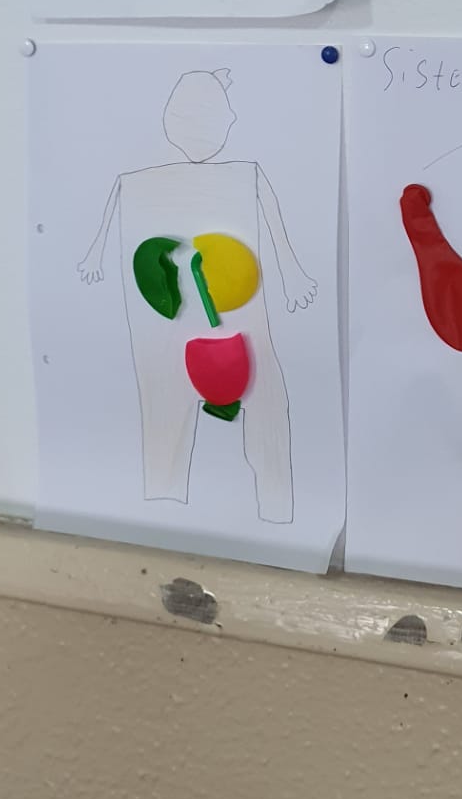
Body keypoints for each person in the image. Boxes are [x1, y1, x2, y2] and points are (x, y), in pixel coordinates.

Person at [77, 69, 315, 517]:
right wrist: (93, 255)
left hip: (231, 322)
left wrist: (294, 274)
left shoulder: (242, 176)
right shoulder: (146, 181)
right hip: (169, 329)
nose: (231, 120)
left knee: (262, 410)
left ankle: (277, 512)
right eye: (221, 114)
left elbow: (273, 219)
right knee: (171, 415)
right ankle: (170, 511)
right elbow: (112, 206)